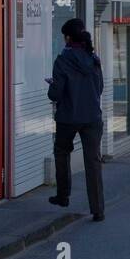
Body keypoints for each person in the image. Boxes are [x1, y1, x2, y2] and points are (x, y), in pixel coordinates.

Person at [47, 18, 105, 221]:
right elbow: (100, 89)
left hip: (68, 118)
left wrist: (53, 84)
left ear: (68, 38)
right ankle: (98, 210)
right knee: (93, 161)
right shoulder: (94, 59)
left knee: (62, 153)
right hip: (92, 118)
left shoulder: (62, 61)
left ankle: (63, 196)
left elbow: (55, 95)